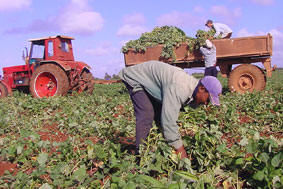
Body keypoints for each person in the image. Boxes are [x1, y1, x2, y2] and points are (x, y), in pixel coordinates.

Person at [119, 61, 222, 159]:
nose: (205, 103)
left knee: (160, 115)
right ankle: (140, 154)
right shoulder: (180, 89)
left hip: (153, 82)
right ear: (201, 89)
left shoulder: (192, 88)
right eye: (208, 99)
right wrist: (180, 151)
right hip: (137, 78)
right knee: (147, 115)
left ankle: (161, 145)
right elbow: (169, 122)